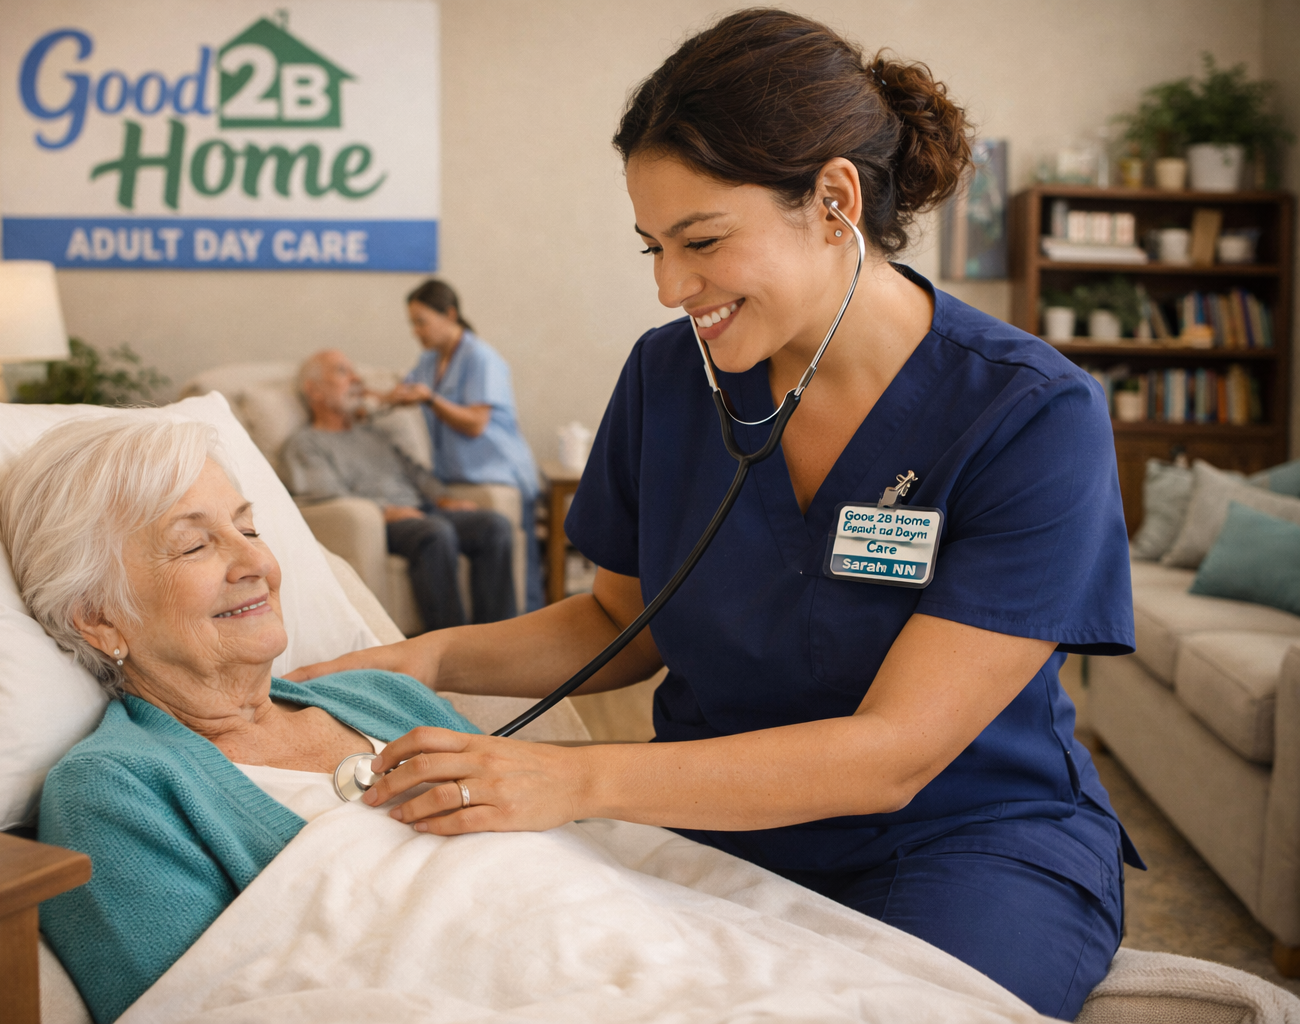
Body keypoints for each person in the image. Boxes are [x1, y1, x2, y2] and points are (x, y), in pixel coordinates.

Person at [290, 9, 1142, 1020]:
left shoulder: (1029, 414)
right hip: (711, 823)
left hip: (962, 835)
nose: (667, 286)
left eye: (700, 241)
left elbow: (893, 753)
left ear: (834, 200)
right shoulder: (670, 376)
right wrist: (424, 660)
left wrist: (573, 780)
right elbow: (617, 622)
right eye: (652, 246)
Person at [0, 416, 487, 1022]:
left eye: (248, 527)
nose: (254, 559)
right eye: (196, 544)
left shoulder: (386, 698)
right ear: (98, 618)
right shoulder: (114, 792)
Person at [280, 349, 517, 630]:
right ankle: (452, 645)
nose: (356, 378)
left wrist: (443, 497)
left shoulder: (373, 433)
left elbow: (414, 471)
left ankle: (496, 638)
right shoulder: (306, 444)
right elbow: (327, 497)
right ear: (314, 391)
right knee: (435, 533)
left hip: (421, 510)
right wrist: (386, 511)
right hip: (380, 522)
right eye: (343, 371)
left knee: (494, 525)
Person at [386, 279, 544, 612]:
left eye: (421, 321)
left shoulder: (480, 357)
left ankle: (523, 647)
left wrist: (429, 398)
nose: (416, 331)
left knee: (523, 578)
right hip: (457, 479)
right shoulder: (428, 362)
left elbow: (475, 423)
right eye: (412, 323)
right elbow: (402, 392)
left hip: (498, 474)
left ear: (450, 315)